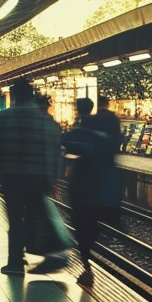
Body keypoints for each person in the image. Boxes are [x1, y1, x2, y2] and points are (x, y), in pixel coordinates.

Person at [0, 78, 63, 275]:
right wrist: (53, 178)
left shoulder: (4, 117)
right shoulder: (44, 119)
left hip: (11, 176)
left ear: (14, 97)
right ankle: (49, 254)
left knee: (15, 220)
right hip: (37, 177)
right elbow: (54, 150)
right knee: (36, 216)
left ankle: (15, 262)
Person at [62, 97, 110, 286]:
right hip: (96, 185)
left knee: (80, 226)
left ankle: (86, 265)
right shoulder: (99, 131)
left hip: (79, 185)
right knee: (90, 224)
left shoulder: (76, 131)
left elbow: (66, 148)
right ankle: (88, 260)